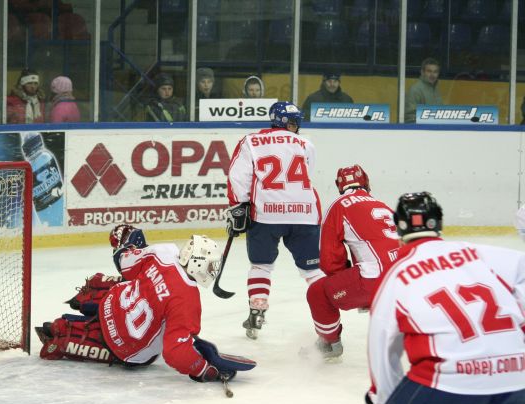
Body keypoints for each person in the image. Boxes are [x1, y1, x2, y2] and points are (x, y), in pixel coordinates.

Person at [361, 192, 525, 404]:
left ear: (398, 228)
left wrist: (382, 403)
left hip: (447, 375)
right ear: (439, 223)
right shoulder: (480, 252)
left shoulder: (397, 276)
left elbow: (382, 346)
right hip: (515, 370)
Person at [34, 225, 256, 382]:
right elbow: (175, 352)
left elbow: (125, 264)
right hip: (127, 347)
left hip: (111, 303)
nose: (213, 271)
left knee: (103, 283)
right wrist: (203, 370)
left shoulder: (163, 252)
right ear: (197, 262)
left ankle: (78, 313)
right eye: (211, 265)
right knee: (155, 321)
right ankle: (65, 334)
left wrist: (128, 245)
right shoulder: (188, 301)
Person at [226, 101, 324, 339]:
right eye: (293, 122)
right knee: (312, 270)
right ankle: (327, 314)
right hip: (305, 213)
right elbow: (308, 173)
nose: (296, 126)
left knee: (261, 266)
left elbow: (237, 177)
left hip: (266, 214)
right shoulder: (306, 143)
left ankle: (257, 311)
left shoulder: (251, 141)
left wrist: (238, 205)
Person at [305, 164, 399, 361]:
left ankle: (329, 343)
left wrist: (344, 278)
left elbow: (329, 259)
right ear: (366, 182)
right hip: (405, 278)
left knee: (317, 292)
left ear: (339, 186)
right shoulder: (383, 205)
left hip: (374, 280)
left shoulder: (338, 205)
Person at [404, 57, 443, 124]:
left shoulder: (435, 90)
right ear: (422, 72)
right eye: (429, 71)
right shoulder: (415, 90)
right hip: (420, 129)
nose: (432, 75)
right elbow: (410, 117)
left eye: (435, 72)